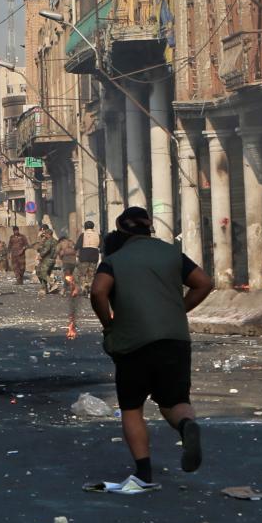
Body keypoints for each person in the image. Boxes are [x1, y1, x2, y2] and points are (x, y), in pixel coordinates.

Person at [90, 206, 213, 485]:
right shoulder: (171, 253)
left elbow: (98, 290)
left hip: (132, 342)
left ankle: (143, 472)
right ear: (149, 228)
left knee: (132, 407)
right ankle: (186, 425)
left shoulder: (116, 259)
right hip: (174, 340)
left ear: (121, 231)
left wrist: (108, 322)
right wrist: (179, 309)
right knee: (175, 401)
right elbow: (204, 283)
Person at [75, 221, 101, 296]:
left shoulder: (83, 235)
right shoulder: (98, 235)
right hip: (94, 256)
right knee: (91, 274)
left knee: (82, 273)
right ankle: (90, 287)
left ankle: (84, 287)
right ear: (93, 227)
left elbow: (77, 246)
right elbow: (101, 246)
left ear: (85, 227)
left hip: (84, 256)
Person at [34, 226, 58, 295]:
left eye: (46, 234)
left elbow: (46, 250)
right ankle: (44, 288)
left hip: (46, 259)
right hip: (52, 260)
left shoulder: (48, 241)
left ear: (48, 234)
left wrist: (40, 255)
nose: (45, 235)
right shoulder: (55, 241)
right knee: (44, 273)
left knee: (40, 272)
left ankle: (52, 282)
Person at [56, 228, 79, 296]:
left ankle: (64, 290)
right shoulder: (72, 242)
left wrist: (60, 255)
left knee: (67, 276)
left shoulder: (61, 243)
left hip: (66, 261)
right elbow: (77, 251)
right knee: (70, 276)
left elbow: (56, 251)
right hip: (73, 262)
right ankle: (73, 290)